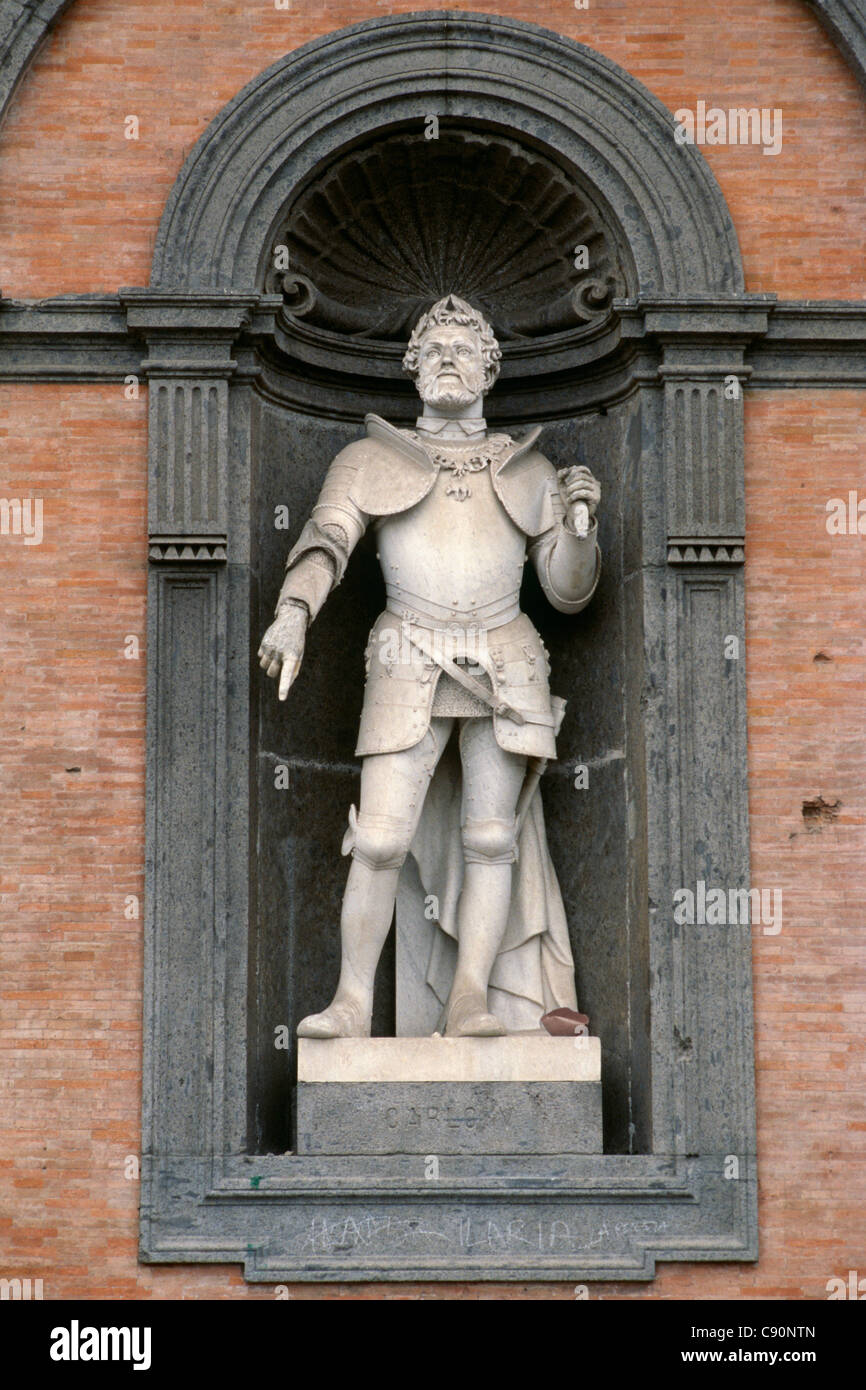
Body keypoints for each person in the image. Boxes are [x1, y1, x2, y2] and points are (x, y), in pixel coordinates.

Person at [258, 295, 601, 1038]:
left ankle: (470, 996)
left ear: (490, 367)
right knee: (379, 838)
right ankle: (352, 1002)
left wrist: (577, 527)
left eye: (463, 348)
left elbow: (568, 591)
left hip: (506, 657)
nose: (449, 357)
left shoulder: (530, 467)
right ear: (413, 369)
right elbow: (327, 540)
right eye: (435, 347)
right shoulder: (369, 458)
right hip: (405, 651)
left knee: (491, 838)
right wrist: (295, 610)